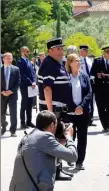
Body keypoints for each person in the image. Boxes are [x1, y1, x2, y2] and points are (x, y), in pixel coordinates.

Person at [8, 110, 77, 191]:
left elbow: (45, 160)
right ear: (52, 125)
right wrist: (69, 137)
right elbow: (73, 156)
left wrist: (59, 145)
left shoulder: (27, 137)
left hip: (18, 190)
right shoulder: (45, 137)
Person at [38, 37, 74, 180]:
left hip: (59, 109)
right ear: (50, 51)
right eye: (58, 49)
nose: (61, 51)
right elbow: (47, 89)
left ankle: (57, 168)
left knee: (58, 139)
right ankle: (55, 171)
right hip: (54, 110)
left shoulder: (56, 63)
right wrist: (50, 113)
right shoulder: (49, 65)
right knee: (54, 141)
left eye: (61, 49)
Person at [65, 53, 92, 170]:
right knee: (70, 136)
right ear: (70, 63)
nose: (78, 63)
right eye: (76, 61)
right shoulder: (66, 77)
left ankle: (80, 161)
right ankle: (70, 157)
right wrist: (73, 108)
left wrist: (81, 106)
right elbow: (64, 95)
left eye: (79, 61)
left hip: (83, 112)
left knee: (82, 137)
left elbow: (89, 93)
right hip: (70, 113)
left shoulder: (84, 76)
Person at [90, 45, 109, 132]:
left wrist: (108, 75)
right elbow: (92, 73)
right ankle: (105, 125)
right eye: (107, 52)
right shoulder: (97, 61)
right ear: (104, 52)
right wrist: (96, 76)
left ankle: (107, 122)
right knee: (101, 107)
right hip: (100, 88)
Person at [17, 46, 37, 128]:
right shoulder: (19, 62)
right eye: (26, 51)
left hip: (32, 86)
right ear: (22, 52)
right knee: (24, 104)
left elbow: (33, 73)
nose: (28, 53)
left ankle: (29, 121)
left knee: (30, 104)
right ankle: (22, 122)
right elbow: (22, 75)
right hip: (25, 86)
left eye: (28, 51)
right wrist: (30, 82)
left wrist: (34, 81)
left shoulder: (29, 62)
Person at [1, 52, 20, 137]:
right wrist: (2, 91)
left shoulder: (16, 69)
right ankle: (4, 127)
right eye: (8, 58)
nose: (9, 60)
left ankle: (13, 130)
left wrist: (11, 91)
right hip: (2, 94)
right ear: (3, 59)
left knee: (13, 113)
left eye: (11, 58)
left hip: (12, 94)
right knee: (2, 112)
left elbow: (18, 82)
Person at [79, 45, 96, 127]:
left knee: (91, 100)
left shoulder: (89, 60)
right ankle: (84, 117)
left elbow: (92, 71)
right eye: (83, 50)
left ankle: (90, 119)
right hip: (82, 82)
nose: (85, 52)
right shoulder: (78, 60)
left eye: (86, 50)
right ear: (80, 51)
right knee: (84, 99)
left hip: (90, 82)